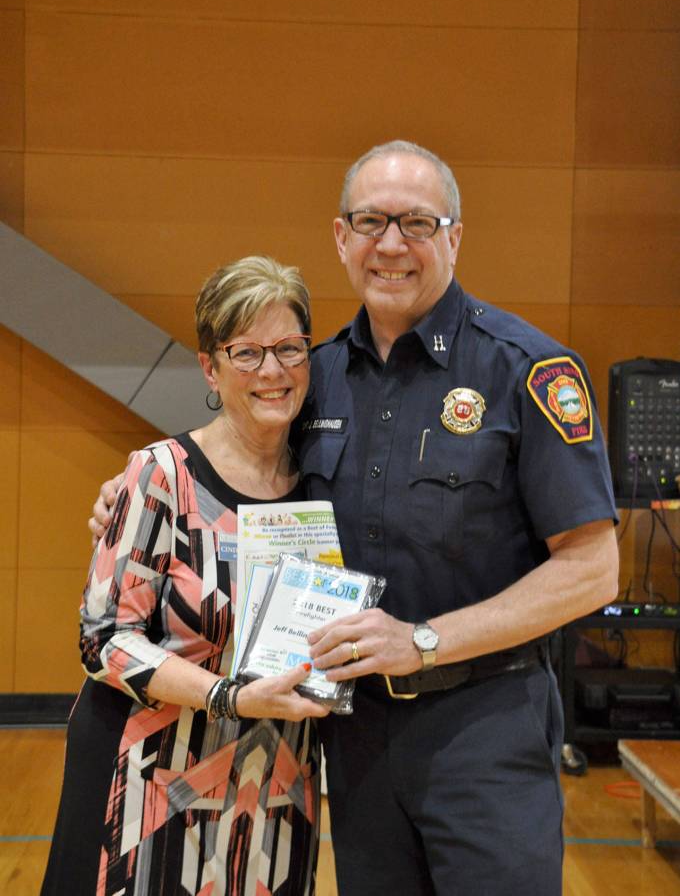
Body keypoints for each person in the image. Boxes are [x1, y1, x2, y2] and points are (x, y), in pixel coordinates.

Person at [91, 141, 619, 896]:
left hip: (486, 729)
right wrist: (137, 497)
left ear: (455, 236)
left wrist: (422, 641)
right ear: (341, 237)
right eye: (371, 221)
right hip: (354, 735)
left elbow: (594, 569)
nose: (391, 244)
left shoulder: (525, 371)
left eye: (417, 222)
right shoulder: (318, 375)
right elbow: (241, 476)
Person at [44, 256, 329, 896]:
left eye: (289, 348)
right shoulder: (161, 474)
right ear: (210, 367)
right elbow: (102, 641)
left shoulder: (320, 485)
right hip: (148, 786)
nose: (273, 371)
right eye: (246, 352)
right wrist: (229, 696)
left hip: (275, 788)